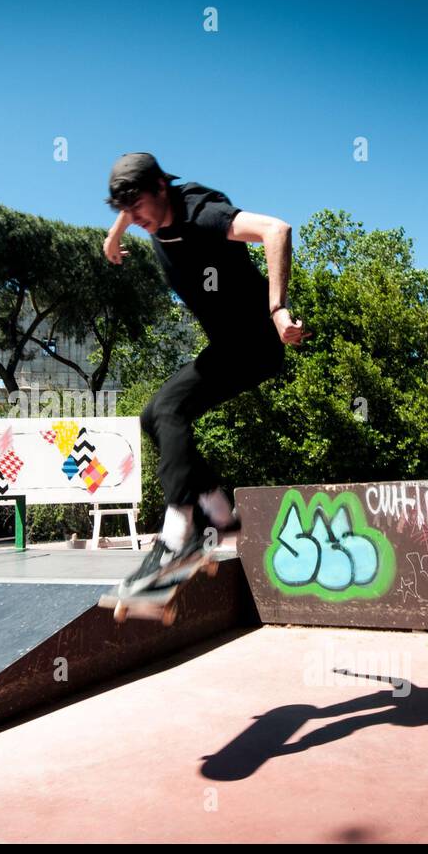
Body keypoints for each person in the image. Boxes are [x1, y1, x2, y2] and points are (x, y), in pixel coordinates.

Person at [104, 152, 308, 593]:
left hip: (255, 344)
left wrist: (278, 308)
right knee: (151, 416)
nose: (134, 219)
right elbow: (131, 211)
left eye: (137, 207)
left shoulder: (202, 214)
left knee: (171, 409)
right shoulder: (147, 214)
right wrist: (115, 233)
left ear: (161, 187)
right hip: (228, 347)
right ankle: (220, 515)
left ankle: (178, 535)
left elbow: (277, 230)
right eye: (125, 211)